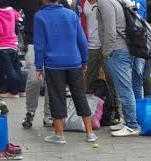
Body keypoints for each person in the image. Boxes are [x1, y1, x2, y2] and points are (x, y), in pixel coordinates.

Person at [34, 0, 96, 144]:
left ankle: (59, 135)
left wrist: (38, 66)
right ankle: (90, 133)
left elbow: (39, 44)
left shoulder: (40, 16)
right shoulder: (71, 14)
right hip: (74, 61)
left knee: (57, 97)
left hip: (53, 64)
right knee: (80, 96)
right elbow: (81, 39)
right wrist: (84, 60)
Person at [96, 0, 141, 136]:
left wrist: (106, 52)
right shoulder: (115, 1)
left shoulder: (105, 2)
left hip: (117, 50)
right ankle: (128, 122)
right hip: (123, 49)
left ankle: (132, 125)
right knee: (125, 88)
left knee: (124, 89)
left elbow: (110, 30)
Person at [80, 0, 119, 125]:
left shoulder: (105, 2)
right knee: (88, 80)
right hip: (89, 46)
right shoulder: (81, 2)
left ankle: (115, 111)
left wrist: (108, 45)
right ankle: (90, 112)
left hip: (106, 45)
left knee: (112, 80)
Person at [15, 0, 51, 128]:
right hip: (33, 44)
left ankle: (49, 115)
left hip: (53, 45)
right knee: (34, 79)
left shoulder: (60, 1)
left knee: (52, 80)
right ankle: (30, 112)